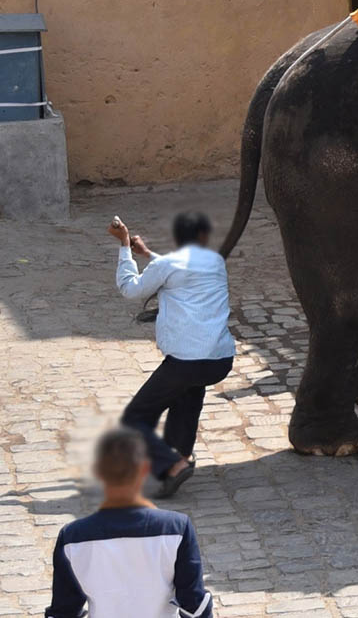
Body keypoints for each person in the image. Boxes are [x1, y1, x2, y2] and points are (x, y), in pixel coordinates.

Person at [110, 212, 235, 499]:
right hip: (219, 358)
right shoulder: (215, 262)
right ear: (204, 237)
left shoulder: (168, 264)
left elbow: (131, 289)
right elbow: (180, 273)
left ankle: (173, 464)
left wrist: (125, 246)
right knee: (187, 398)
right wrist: (149, 254)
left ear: (177, 238)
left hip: (187, 361)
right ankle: (180, 458)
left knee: (134, 418)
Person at [45, 427, 211, 618]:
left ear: (98, 474)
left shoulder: (71, 538)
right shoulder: (177, 528)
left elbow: (63, 612)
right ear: (145, 470)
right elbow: (195, 607)